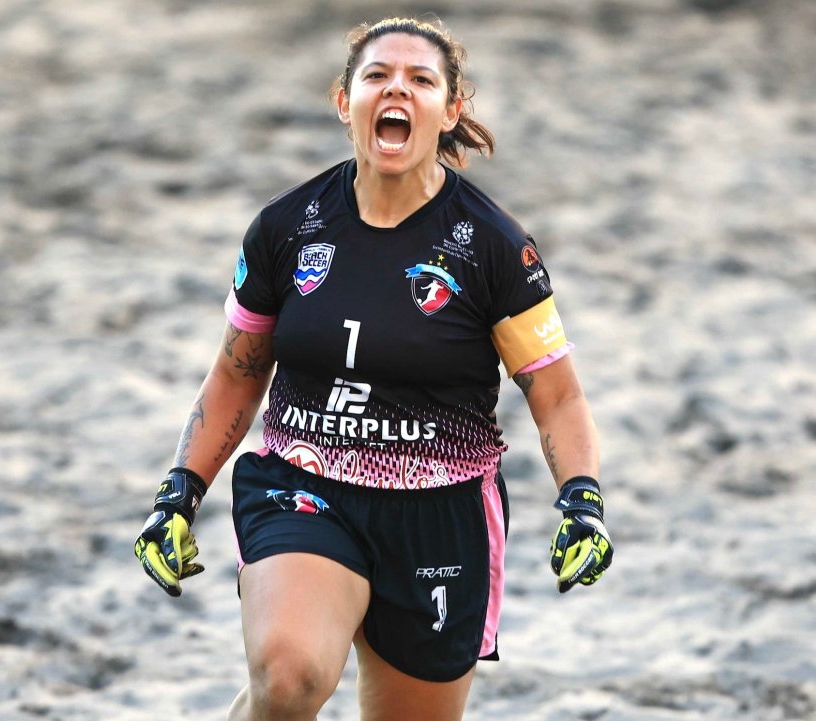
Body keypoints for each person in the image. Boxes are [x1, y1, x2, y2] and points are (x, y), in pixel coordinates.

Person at [135, 16, 613, 721]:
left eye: (421, 79)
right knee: (291, 676)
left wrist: (581, 499)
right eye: (377, 76)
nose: (398, 89)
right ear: (344, 101)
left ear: (450, 110)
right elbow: (238, 372)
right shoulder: (288, 228)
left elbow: (559, 397)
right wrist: (180, 490)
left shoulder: (494, 248)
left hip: (440, 512)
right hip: (305, 484)